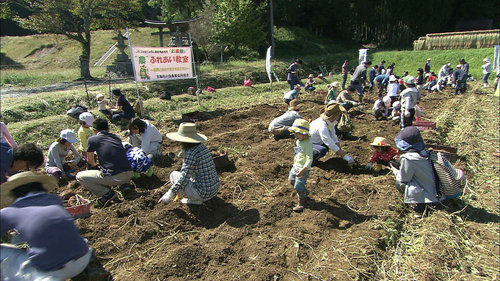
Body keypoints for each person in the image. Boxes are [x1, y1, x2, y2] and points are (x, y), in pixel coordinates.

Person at [1, 172, 91, 280]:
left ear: (14, 193)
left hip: (50, 272)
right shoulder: (54, 199)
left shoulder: (9, 211)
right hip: (83, 259)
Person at [76, 118, 133, 207]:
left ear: (95, 130)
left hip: (114, 177)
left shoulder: (92, 139)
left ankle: (107, 194)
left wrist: (95, 164)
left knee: (80, 176)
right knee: (115, 164)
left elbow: (90, 160)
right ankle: (124, 185)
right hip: (129, 174)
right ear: (108, 129)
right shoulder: (116, 137)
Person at [159, 123, 219, 205]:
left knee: (174, 175)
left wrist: (169, 193)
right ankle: (194, 197)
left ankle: (194, 200)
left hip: (203, 193)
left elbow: (185, 176)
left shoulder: (191, 153)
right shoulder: (202, 147)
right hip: (213, 189)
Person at [389, 126, 444, 210]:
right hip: (439, 193)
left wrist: (395, 171)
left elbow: (404, 179)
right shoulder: (425, 152)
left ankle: (420, 205)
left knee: (399, 184)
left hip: (429, 198)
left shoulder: (408, 158)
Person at [287, 119, 313, 212]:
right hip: (296, 166)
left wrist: (303, 170)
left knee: (298, 186)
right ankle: (304, 192)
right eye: (295, 133)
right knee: (291, 180)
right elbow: (298, 152)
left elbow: (309, 158)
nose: (295, 135)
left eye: (297, 133)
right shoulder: (298, 141)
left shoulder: (308, 143)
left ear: (304, 133)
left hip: (303, 169)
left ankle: (302, 202)